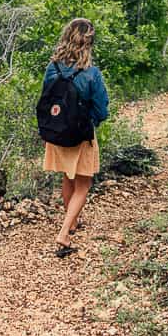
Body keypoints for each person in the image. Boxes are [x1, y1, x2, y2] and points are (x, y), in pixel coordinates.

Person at [41, 18, 109, 257]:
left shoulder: (53, 68)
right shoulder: (92, 73)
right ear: (89, 42)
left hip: (56, 133)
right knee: (83, 183)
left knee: (67, 177)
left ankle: (72, 222)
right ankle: (63, 233)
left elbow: (45, 99)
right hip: (80, 135)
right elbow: (102, 109)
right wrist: (91, 122)